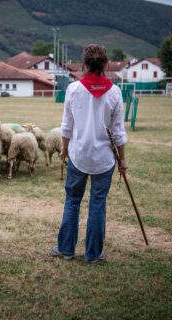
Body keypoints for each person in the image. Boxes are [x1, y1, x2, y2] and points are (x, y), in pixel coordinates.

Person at [52, 44, 127, 263]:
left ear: (84, 64)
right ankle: (93, 254)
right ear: (106, 64)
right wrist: (122, 159)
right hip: (104, 160)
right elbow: (119, 132)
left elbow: (66, 126)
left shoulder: (74, 90)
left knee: (73, 201)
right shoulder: (114, 92)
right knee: (97, 204)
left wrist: (65, 150)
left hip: (78, 155)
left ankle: (65, 250)